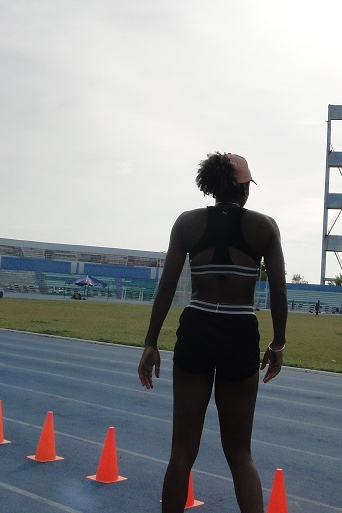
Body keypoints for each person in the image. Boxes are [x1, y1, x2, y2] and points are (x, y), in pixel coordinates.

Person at [137, 152, 287, 513]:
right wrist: (278, 343)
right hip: (240, 330)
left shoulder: (187, 223)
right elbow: (279, 291)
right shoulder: (265, 226)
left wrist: (151, 341)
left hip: (198, 327)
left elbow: (167, 286)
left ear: (212, 185)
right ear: (244, 187)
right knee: (240, 453)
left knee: (182, 450)